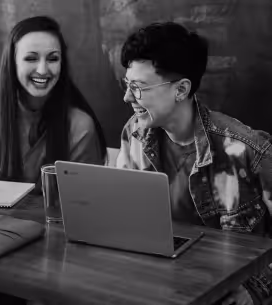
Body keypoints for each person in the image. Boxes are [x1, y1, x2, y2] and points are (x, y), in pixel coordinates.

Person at [116, 21, 272, 305]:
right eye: (127, 85)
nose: (127, 97)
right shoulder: (134, 134)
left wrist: (255, 289)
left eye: (138, 88)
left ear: (181, 89)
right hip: (160, 286)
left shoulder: (247, 149)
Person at [0, 15, 107, 183]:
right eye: (31, 58)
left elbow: (83, 202)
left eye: (53, 59)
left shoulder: (80, 127)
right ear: (12, 63)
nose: (42, 70)